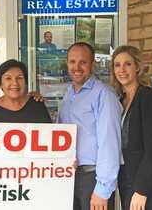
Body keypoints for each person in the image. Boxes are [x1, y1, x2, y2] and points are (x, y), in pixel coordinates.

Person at [58, 42, 122, 210]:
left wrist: (102, 189)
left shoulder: (104, 94)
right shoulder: (68, 94)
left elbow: (110, 143)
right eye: (72, 62)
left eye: (83, 62)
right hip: (68, 177)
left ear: (92, 64)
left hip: (92, 179)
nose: (76, 67)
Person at [111, 45, 152, 210]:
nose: (122, 69)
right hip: (126, 176)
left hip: (144, 183)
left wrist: (142, 189)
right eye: (117, 65)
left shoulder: (149, 97)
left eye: (127, 64)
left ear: (137, 67)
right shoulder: (120, 100)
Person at [0, 59, 51, 167]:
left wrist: (65, 162)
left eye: (19, 78)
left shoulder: (37, 105)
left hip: (34, 172)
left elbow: (50, 142)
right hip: (2, 176)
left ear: (25, 82)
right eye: (8, 78)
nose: (14, 83)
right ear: (0, 84)